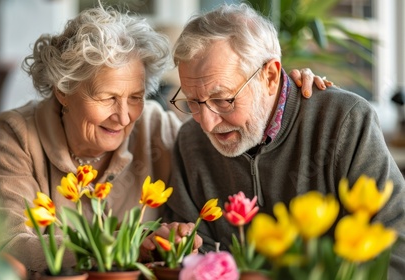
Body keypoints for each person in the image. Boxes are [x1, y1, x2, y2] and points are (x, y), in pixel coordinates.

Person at [0, 3, 328, 275]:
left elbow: (240, 140)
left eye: (135, 96)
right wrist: (123, 246)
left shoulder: (156, 128)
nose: (123, 116)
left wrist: (282, 91)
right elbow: (9, 240)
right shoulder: (18, 134)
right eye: (107, 98)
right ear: (64, 91)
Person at [163, 2, 405, 278]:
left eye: (223, 100)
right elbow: (192, 258)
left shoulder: (344, 121)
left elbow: (395, 243)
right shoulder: (190, 142)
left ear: (270, 76)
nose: (206, 122)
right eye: (193, 101)